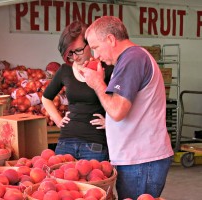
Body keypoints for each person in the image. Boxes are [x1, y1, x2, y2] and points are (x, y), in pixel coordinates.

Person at [83, 16, 174, 199]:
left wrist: (98, 84)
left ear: (110, 39)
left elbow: (117, 110)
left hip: (141, 159)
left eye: (95, 48)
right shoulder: (132, 58)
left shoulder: (132, 59)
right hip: (138, 158)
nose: (96, 56)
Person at [41, 21, 113, 161]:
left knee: (94, 183)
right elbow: (46, 98)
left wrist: (110, 123)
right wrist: (58, 119)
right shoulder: (65, 70)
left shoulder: (106, 69)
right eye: (70, 53)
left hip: (95, 142)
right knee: (61, 181)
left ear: (90, 44)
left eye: (79, 50)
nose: (75, 57)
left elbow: (122, 102)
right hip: (66, 140)